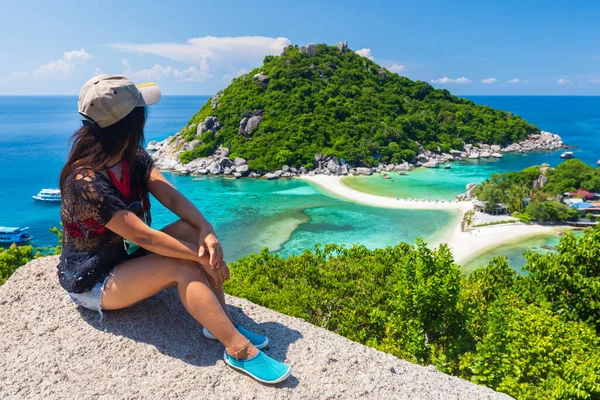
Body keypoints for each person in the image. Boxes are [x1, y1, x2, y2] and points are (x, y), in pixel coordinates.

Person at [57, 74, 291, 384]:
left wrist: (206, 229)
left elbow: (170, 195)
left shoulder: (132, 158)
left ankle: (220, 323)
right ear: (130, 123)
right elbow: (142, 235)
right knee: (183, 265)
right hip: (96, 279)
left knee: (194, 234)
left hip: (127, 259)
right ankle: (238, 350)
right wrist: (199, 258)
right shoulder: (85, 184)